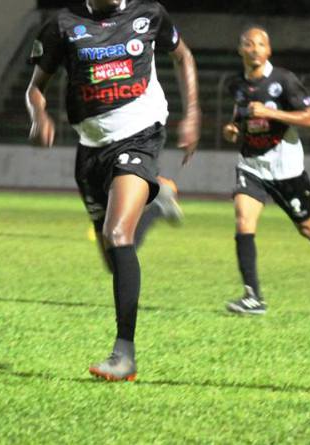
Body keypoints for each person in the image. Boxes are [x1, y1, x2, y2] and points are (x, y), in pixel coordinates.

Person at [25, 0, 200, 381]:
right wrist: (39, 115)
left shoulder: (149, 14)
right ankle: (158, 203)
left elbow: (183, 56)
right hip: (90, 150)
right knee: (114, 255)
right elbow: (35, 88)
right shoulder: (63, 25)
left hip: (140, 136)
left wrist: (193, 114)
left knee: (117, 234)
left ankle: (124, 355)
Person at [221, 25, 310, 315]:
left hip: (286, 168)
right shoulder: (235, 84)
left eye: (260, 44)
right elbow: (239, 114)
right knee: (243, 221)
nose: (254, 49)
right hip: (251, 164)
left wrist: (271, 112)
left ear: (269, 50)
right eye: (248, 44)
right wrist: (232, 128)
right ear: (240, 50)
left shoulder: (285, 81)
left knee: (307, 226)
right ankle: (253, 296)